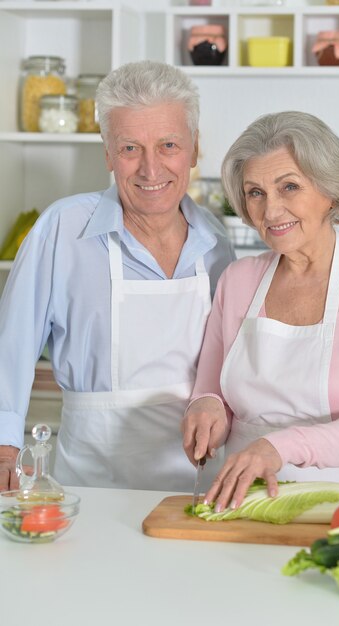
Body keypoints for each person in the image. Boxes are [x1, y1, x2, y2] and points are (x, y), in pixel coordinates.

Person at [0, 61, 235, 492]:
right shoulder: (62, 229)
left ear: (194, 148)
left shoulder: (216, 243)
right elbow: (10, 346)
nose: (150, 169)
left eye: (168, 145)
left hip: (197, 481)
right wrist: (3, 446)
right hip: (92, 480)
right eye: (130, 148)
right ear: (107, 153)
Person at [182, 110, 339, 507]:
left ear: (332, 191)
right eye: (255, 192)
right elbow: (211, 390)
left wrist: (277, 447)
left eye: (289, 187)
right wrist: (206, 407)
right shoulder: (238, 280)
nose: (271, 211)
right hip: (246, 504)